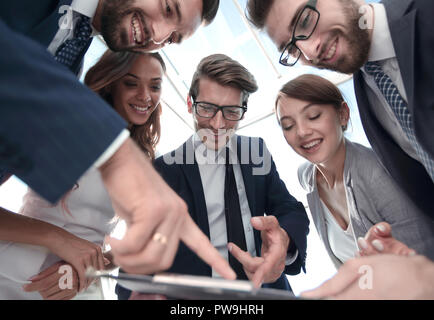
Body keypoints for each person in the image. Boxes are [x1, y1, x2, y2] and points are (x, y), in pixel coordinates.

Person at [0, 0, 236, 278]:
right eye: (168, 8)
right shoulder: (76, 123)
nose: (157, 37)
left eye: (172, 38)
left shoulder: (71, 61)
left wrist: (92, 263)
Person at [246, 0, 434, 298]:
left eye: (305, 21)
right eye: (293, 49)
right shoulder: (369, 89)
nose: (309, 52)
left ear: (342, 115)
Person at [116, 54, 310, 299]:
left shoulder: (256, 152)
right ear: (190, 103)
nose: (218, 124)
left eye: (231, 112)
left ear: (244, 110)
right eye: (207, 108)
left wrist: (285, 242)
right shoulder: (162, 173)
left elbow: (289, 208)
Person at [0, 50, 167, 300]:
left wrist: (89, 268)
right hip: (16, 275)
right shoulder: (60, 126)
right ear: (112, 83)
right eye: (131, 83)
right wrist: (58, 239)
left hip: (79, 289)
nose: (145, 96)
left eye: (155, 86)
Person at [275, 74, 434, 270]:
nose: (301, 132)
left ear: (343, 114)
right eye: (288, 125)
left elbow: (426, 258)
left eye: (314, 116)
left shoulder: (378, 175)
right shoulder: (306, 177)